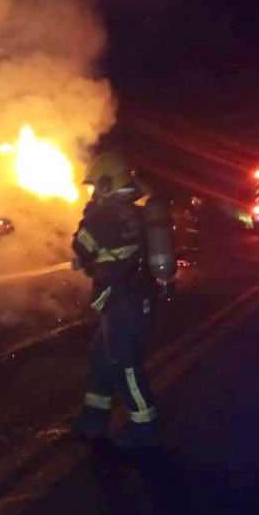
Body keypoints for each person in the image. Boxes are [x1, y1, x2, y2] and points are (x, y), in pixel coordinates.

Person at [70, 151, 164, 448]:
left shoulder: (103, 213)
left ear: (108, 183)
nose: (93, 190)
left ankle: (144, 427)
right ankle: (94, 419)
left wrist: (87, 224)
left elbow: (82, 244)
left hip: (123, 300)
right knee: (101, 359)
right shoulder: (134, 212)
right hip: (134, 296)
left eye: (96, 184)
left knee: (125, 362)